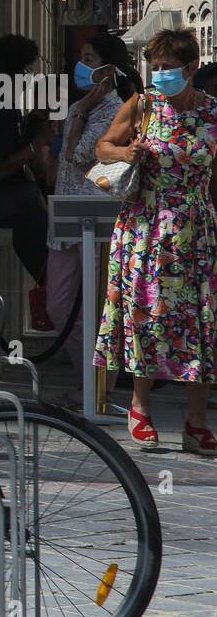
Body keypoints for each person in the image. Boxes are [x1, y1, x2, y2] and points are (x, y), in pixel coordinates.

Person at [93, 27, 217, 454]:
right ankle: (139, 406)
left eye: (169, 67)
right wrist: (125, 153)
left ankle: (196, 421)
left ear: (192, 67)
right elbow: (102, 147)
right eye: (156, 67)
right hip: (145, 226)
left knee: (200, 322)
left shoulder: (213, 113)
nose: (160, 74)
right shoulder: (143, 105)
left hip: (197, 231)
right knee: (148, 313)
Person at [45, 35, 143, 407]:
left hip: (99, 222)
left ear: (108, 68)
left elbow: (79, 152)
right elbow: (67, 154)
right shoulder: (78, 108)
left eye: (89, 58)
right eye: (80, 57)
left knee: (97, 306)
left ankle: (97, 385)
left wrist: (84, 111)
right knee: (59, 304)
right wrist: (81, 109)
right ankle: (88, 377)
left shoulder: (117, 110)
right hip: (66, 219)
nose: (81, 66)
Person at [0, 35, 53, 328]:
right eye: (25, 70)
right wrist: (36, 145)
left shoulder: (11, 105)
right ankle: (53, 294)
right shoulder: (2, 108)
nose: (28, 77)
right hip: (8, 198)